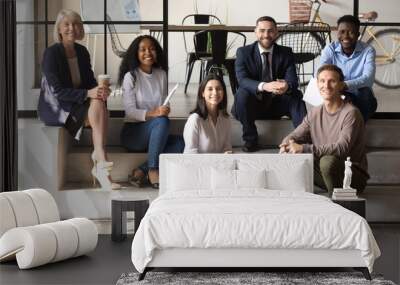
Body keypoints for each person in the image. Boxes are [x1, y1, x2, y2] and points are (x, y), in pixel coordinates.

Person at [37, 9, 120, 191]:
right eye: (66, 24)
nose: (71, 28)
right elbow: (56, 91)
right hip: (57, 106)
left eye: (75, 24)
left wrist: (100, 91)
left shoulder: (82, 52)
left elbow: (89, 83)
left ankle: (100, 159)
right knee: (100, 111)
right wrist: (88, 94)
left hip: (77, 102)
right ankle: (100, 160)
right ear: (59, 29)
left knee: (99, 104)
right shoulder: (51, 53)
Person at [279, 64, 370, 195]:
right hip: (325, 172)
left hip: (352, 176)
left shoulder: (351, 113)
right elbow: (295, 135)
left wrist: (304, 148)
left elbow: (341, 148)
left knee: (327, 161)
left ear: (340, 85)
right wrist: (287, 144)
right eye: (322, 81)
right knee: (292, 155)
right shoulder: (315, 112)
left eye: (332, 81)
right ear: (317, 84)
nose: (326, 86)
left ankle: (336, 203)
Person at [233, 16, 307, 152]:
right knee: (242, 93)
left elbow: (293, 81)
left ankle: (302, 141)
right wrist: (265, 86)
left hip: (277, 103)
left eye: (270, 31)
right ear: (255, 32)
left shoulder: (286, 53)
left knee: (296, 94)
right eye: (262, 31)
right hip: (252, 106)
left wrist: (286, 86)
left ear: (276, 32)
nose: (266, 35)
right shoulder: (243, 52)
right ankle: (250, 140)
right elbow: (242, 80)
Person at [118, 35, 184, 189]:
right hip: (133, 134)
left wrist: (165, 108)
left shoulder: (161, 74)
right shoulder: (131, 76)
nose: (148, 52)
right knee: (162, 121)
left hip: (155, 132)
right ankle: (154, 169)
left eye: (152, 49)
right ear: (136, 53)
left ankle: (142, 170)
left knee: (182, 142)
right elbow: (130, 111)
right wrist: (155, 113)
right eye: (143, 49)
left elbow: (161, 103)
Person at [319, 15, 377, 121]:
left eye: (351, 32)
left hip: (358, 93)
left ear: (358, 35)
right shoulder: (330, 49)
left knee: (365, 94)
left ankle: (358, 127)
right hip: (337, 91)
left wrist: (345, 85)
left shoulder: (368, 50)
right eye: (342, 31)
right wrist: (336, 87)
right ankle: (334, 126)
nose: (346, 36)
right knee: (326, 92)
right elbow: (320, 73)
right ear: (337, 32)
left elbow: (368, 79)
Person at [183, 74, 232, 153]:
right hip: (199, 164)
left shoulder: (226, 119)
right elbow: (190, 153)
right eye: (210, 89)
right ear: (202, 93)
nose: (215, 92)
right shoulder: (194, 120)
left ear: (223, 93)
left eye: (218, 89)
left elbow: (227, 148)